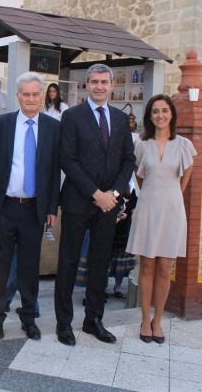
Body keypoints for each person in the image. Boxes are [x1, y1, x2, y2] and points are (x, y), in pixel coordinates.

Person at [54, 63, 135, 346]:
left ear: (112, 85)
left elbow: (128, 160)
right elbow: (68, 159)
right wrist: (95, 193)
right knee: (69, 261)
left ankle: (93, 320)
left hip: (109, 204)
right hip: (78, 200)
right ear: (87, 84)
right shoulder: (72, 116)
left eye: (104, 81)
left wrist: (113, 193)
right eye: (94, 81)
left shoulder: (121, 120)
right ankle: (63, 323)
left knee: (101, 261)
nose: (99, 86)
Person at [0, 72, 60, 341]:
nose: (30, 99)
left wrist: (52, 206)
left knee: (30, 267)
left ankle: (29, 318)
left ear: (42, 96)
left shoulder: (53, 127)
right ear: (17, 96)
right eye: (25, 94)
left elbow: (54, 172)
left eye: (35, 94)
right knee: (0, 265)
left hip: (34, 208)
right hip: (4, 206)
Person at [126, 94, 196, 344]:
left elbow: (184, 179)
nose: (160, 115)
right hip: (148, 207)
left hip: (172, 209)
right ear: (150, 116)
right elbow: (139, 177)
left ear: (172, 114)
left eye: (165, 110)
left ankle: (158, 320)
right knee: (146, 265)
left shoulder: (184, 145)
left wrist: (171, 195)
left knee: (166, 267)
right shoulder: (142, 144)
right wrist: (153, 195)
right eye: (155, 111)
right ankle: (145, 320)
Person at [108, 113, 141, 299]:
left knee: (122, 251)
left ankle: (118, 287)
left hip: (126, 207)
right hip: (109, 202)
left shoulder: (133, 147)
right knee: (104, 251)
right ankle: (101, 286)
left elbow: (134, 184)